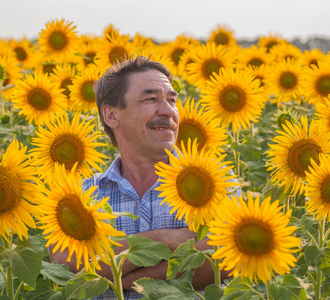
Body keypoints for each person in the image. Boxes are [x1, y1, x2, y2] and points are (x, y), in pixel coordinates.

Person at [49, 56, 232, 299]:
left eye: (172, 100)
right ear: (112, 115)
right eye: (150, 99)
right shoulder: (82, 195)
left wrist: (119, 278)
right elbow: (67, 265)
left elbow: (222, 261)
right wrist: (165, 239)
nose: (168, 110)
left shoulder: (213, 180)